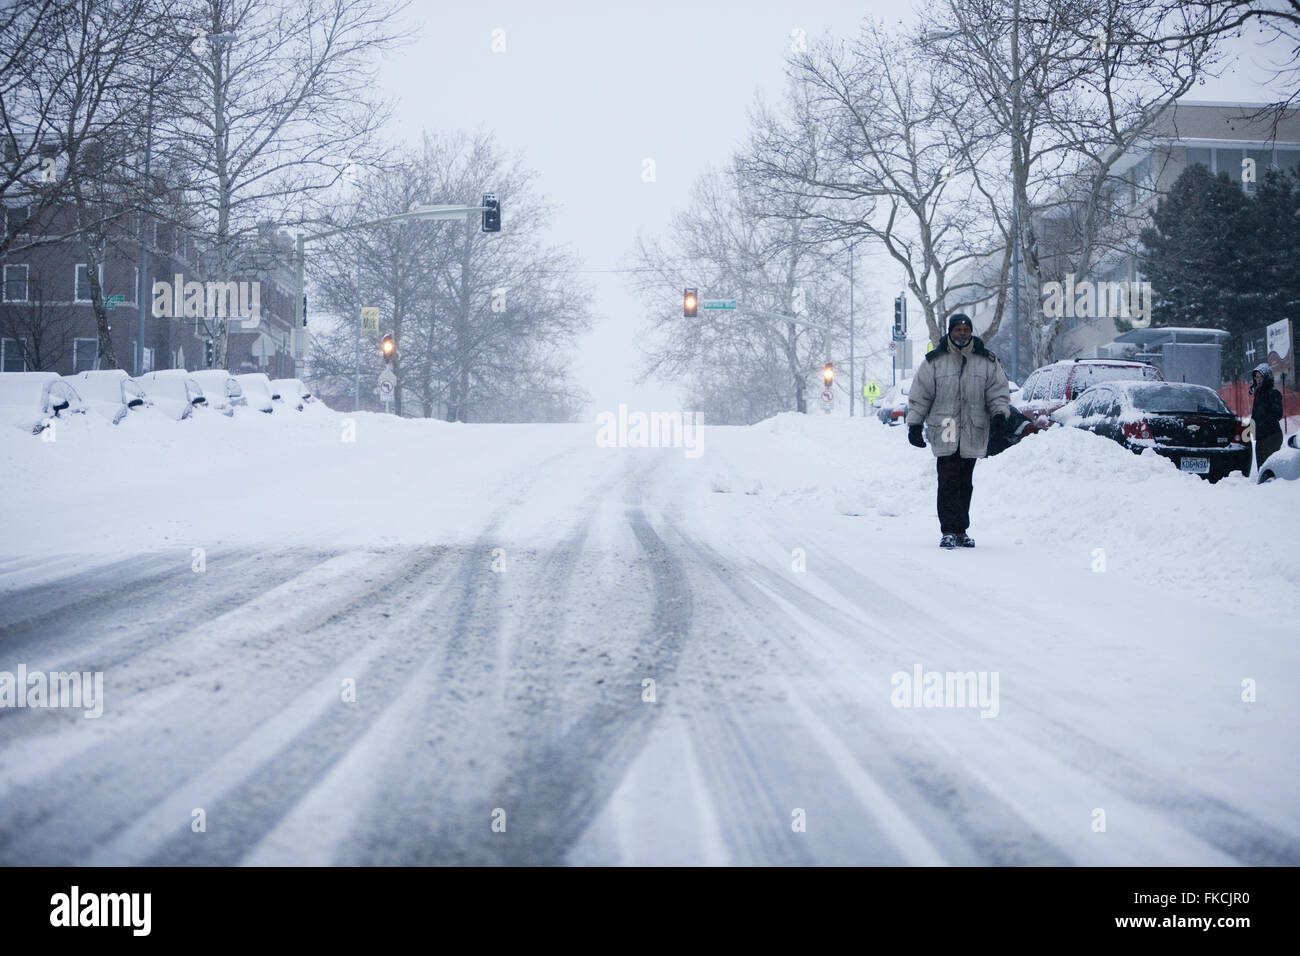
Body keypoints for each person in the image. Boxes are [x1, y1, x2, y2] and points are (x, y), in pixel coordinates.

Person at [905, 313, 1011, 549]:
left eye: (966, 329)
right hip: (946, 427)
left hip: (973, 428)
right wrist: (914, 424)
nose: (962, 333)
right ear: (950, 332)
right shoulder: (935, 361)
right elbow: (921, 394)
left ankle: (961, 530)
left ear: (970, 332)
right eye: (958, 329)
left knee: (965, 481)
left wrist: (999, 414)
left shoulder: (986, 361)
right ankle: (948, 530)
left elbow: (998, 392)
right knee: (947, 478)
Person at [1249, 362, 1284, 473]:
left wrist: (1262, 425)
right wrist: (1253, 428)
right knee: (1261, 469)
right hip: (1260, 437)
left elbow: (1277, 414)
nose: (1258, 380)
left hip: (1271, 436)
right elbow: (1256, 414)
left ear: (1267, 378)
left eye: (1260, 377)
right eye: (1256, 377)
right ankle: (1262, 490)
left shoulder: (1273, 393)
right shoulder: (1258, 393)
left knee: (1269, 470)